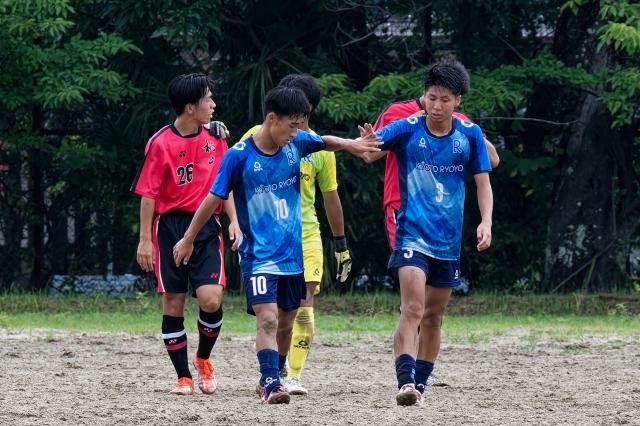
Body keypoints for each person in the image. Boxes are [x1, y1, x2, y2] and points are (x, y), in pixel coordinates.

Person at [172, 86, 380, 404]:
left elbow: (325, 141)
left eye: (300, 126)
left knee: (286, 323)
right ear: (272, 119)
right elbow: (212, 198)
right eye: (292, 125)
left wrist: (352, 144)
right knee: (267, 318)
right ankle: (270, 382)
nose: (296, 132)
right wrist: (188, 238)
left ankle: (274, 373)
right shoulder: (239, 156)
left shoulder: (297, 143)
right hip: (258, 256)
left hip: (292, 256)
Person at [361, 58, 493, 406]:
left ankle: (419, 385)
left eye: (444, 100)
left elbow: (484, 181)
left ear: (458, 101)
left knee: (434, 316)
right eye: (431, 98)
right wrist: (367, 142)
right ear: (424, 96)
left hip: (447, 240)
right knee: (413, 307)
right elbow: (371, 150)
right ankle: (405, 382)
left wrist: (486, 221)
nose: (436, 106)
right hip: (411, 232)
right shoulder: (407, 127)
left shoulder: (469, 134)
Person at [238, 74, 352, 396]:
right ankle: (271, 371)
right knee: (271, 315)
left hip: (305, 236)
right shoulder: (255, 138)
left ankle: (292, 374)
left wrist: (340, 243)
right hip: (265, 238)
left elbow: (330, 197)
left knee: (303, 303)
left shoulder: (318, 148)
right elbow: (229, 179)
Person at [131, 73, 239, 396]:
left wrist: (234, 221)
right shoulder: (160, 143)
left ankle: (203, 358)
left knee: (211, 299)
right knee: (174, 302)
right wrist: (145, 239)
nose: (213, 104)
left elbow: (224, 185)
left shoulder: (216, 138)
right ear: (190, 107)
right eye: (208, 98)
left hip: (206, 227)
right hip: (170, 227)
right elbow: (148, 194)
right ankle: (183, 377)